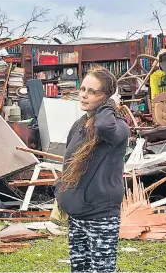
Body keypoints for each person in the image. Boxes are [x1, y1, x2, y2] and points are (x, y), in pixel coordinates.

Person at [55, 66, 130, 272]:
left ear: (106, 97)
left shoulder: (118, 127)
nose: (84, 95)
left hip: (100, 216)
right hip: (77, 215)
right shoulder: (79, 124)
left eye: (93, 91)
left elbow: (104, 126)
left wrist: (110, 105)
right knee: (79, 269)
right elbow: (68, 162)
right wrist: (60, 192)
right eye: (83, 89)